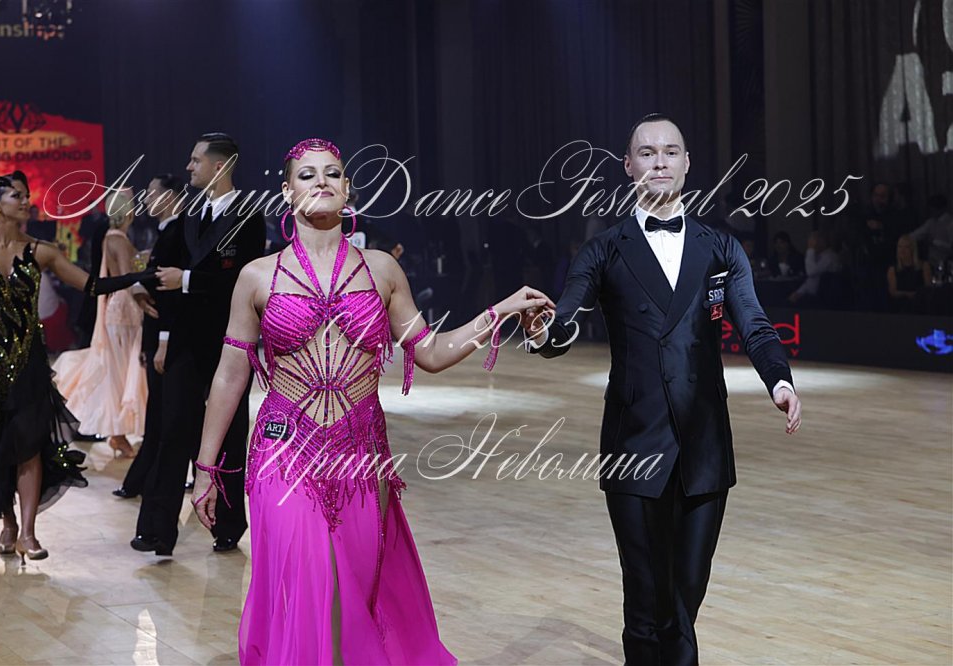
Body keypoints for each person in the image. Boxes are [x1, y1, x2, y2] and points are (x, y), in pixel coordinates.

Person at [190, 138, 548, 664]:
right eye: (307, 175)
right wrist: (206, 468)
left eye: (332, 173)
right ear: (287, 192)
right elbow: (229, 374)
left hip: (361, 455)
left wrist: (499, 312)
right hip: (284, 450)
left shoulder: (381, 269)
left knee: (353, 595)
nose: (321, 181)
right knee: (307, 584)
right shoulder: (257, 275)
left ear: (348, 189)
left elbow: (429, 352)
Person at [523, 114, 801, 664]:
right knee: (646, 603)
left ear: (687, 163)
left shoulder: (721, 248)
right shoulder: (604, 250)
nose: (659, 162)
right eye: (647, 153)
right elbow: (566, 317)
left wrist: (779, 379)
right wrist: (543, 334)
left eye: (670, 151)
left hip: (704, 444)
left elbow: (753, 322)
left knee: (684, 597)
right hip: (634, 441)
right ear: (628, 166)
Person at [0, 176, 154, 561]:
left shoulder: (41, 251)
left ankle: (28, 533)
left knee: (29, 445)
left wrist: (138, 277)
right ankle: (9, 523)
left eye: (26, 196)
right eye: (17, 196)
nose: (26, 201)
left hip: (29, 365)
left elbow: (91, 286)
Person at [132, 133, 265, 556]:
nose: (188, 167)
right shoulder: (189, 214)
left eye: (195, 160)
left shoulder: (249, 216)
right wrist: (142, 292)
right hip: (186, 341)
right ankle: (156, 529)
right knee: (171, 428)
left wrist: (187, 280)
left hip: (230, 342)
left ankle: (228, 524)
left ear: (219, 166)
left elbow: (243, 280)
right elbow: (164, 270)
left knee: (229, 433)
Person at [52, 187, 147, 458]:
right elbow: (127, 278)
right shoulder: (118, 239)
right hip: (125, 309)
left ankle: (118, 434)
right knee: (121, 370)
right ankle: (118, 434)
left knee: (117, 370)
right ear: (128, 211)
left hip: (117, 308)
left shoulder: (112, 237)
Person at [113, 174, 184, 498]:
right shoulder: (166, 231)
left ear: (169, 196)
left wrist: (164, 342)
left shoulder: (177, 232)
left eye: (152, 193)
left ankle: (146, 482)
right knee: (159, 414)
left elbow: (172, 294)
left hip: (166, 338)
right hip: (153, 334)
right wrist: (140, 292)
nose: (146, 199)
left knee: (166, 415)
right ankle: (140, 481)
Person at [788, 230, 842, 305]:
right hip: (811, 294)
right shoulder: (819, 256)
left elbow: (811, 272)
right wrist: (798, 292)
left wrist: (810, 250)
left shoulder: (829, 257)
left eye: (813, 242)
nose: (811, 245)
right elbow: (810, 280)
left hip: (823, 299)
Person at [887, 234, 932, 309]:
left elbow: (928, 288)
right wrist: (907, 294)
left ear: (912, 249)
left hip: (920, 304)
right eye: (900, 247)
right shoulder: (892, 269)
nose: (902, 250)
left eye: (906, 247)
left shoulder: (924, 266)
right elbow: (893, 292)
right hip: (899, 305)